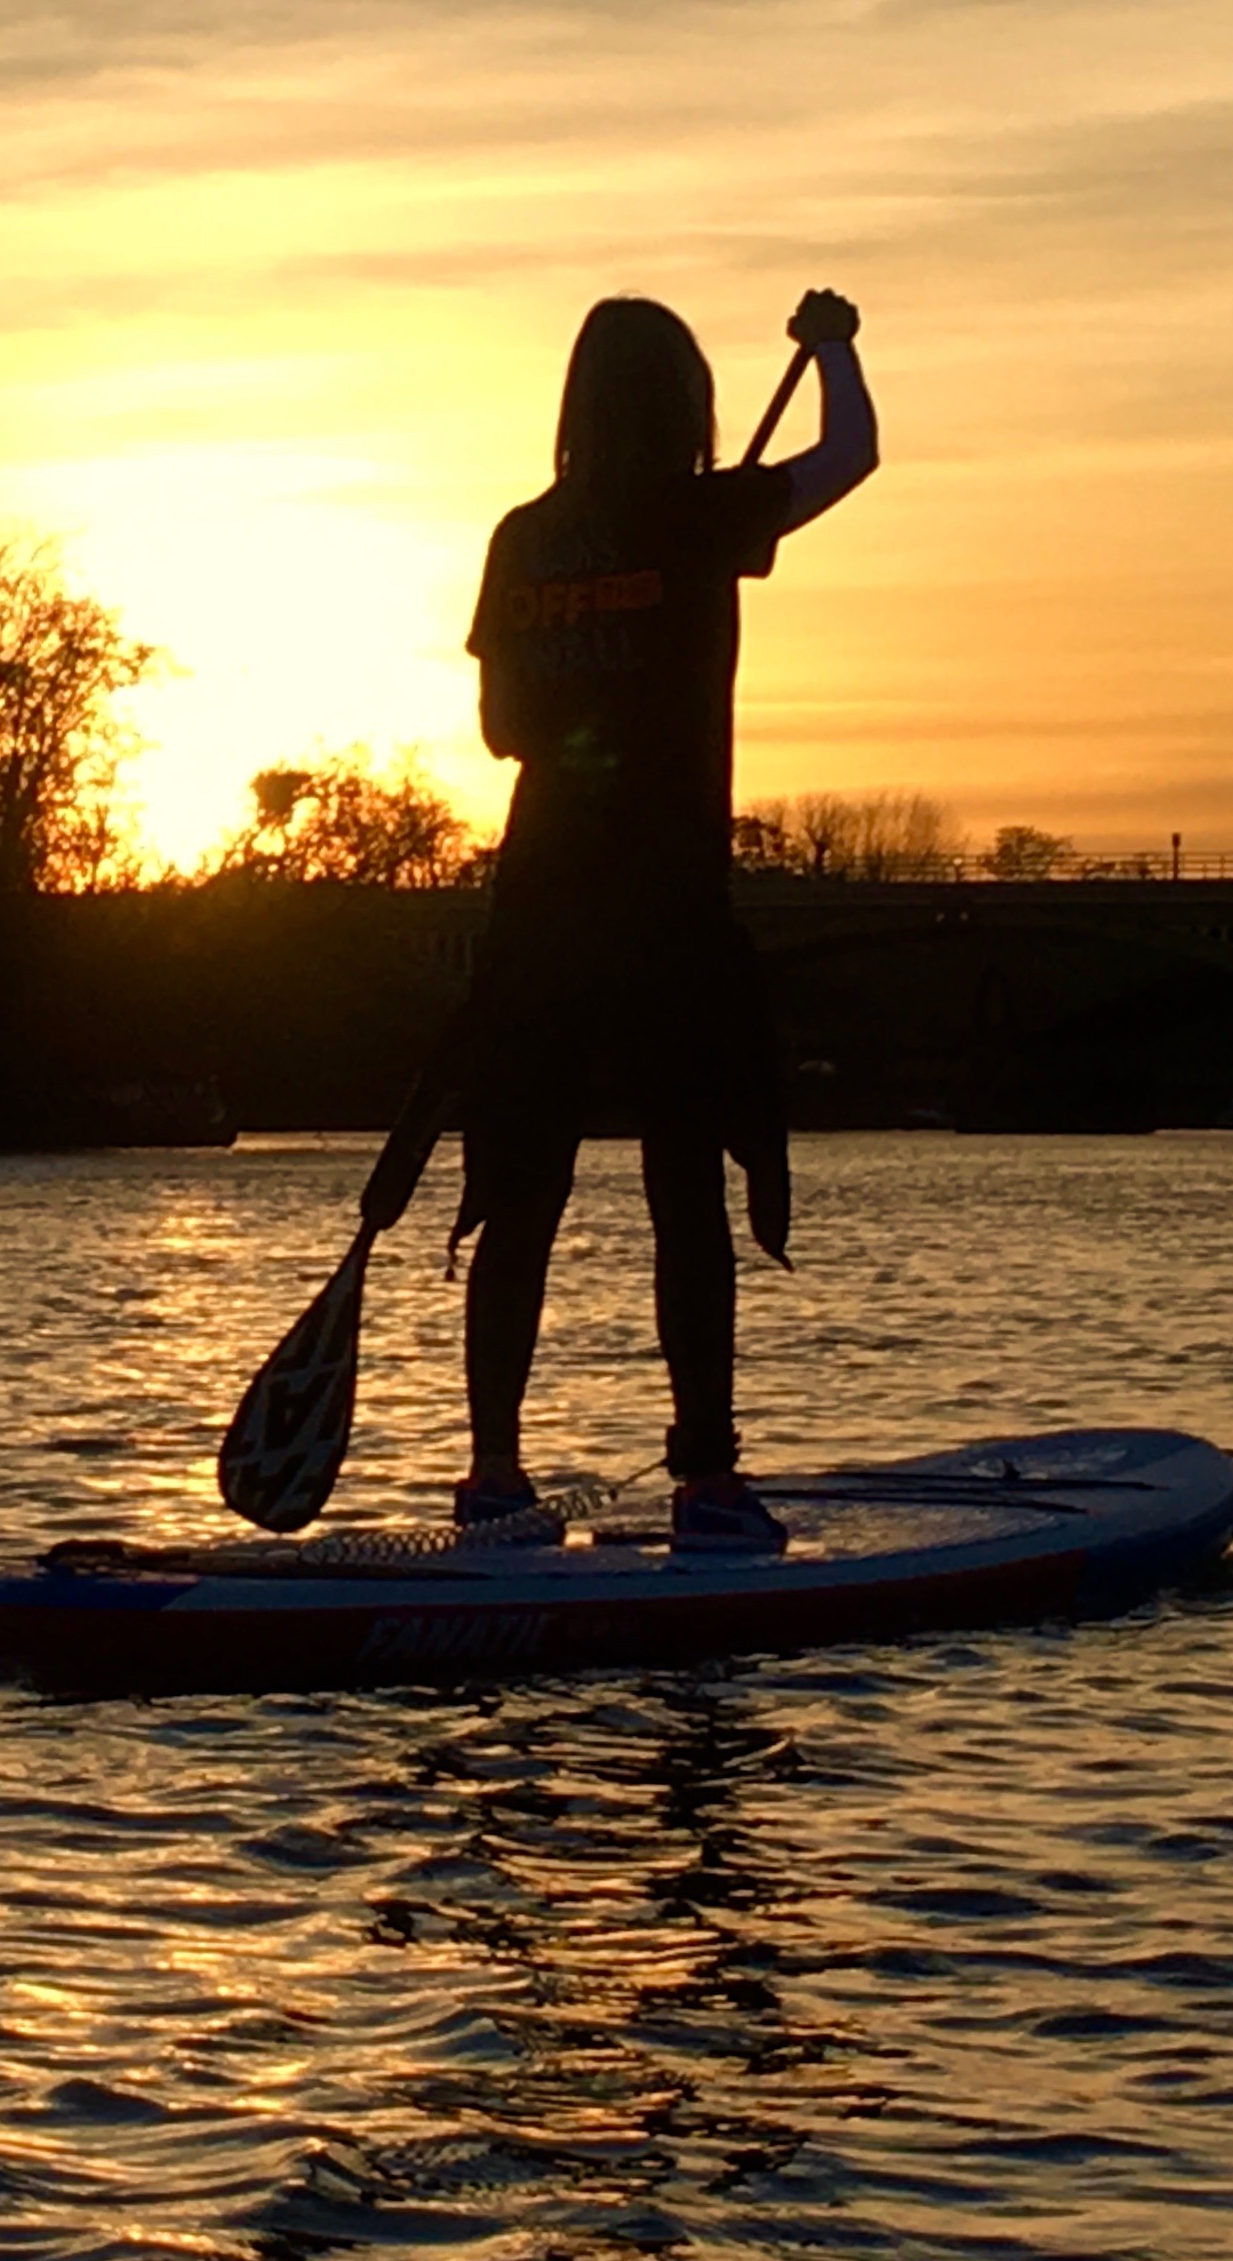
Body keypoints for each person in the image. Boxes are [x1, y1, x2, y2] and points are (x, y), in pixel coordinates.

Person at [451, 287, 878, 1553]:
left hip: (533, 907)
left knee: (520, 1189)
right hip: (667, 912)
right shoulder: (701, 517)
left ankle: (491, 1481)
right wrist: (841, 352)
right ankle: (706, 1482)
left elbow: (499, 732)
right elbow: (852, 454)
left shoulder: (520, 537)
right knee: (683, 1187)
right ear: (686, 409)